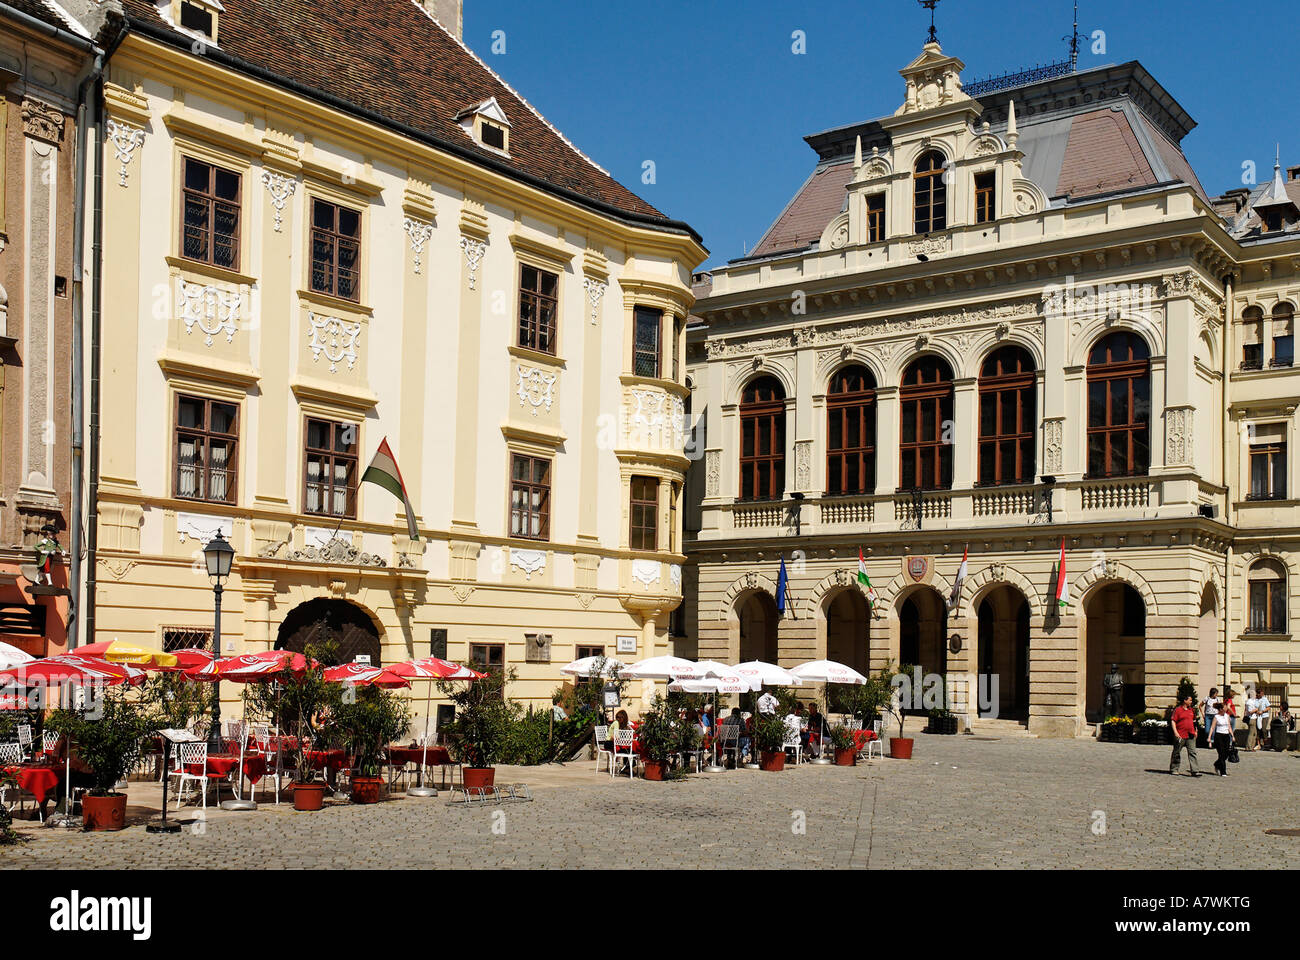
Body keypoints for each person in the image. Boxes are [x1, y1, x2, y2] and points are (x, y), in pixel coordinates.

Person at [1168, 695, 1200, 777]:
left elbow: (1194, 721)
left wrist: (1196, 730)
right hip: (1181, 734)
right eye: (1190, 700)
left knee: (1192, 752)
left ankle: (1195, 770)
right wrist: (1175, 732)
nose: (1191, 702)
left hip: (1191, 734)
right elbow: (1173, 721)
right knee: (1177, 752)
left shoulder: (1191, 710)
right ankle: (1174, 769)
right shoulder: (1178, 710)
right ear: (1185, 701)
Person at [1210, 704, 1234, 776]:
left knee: (1226, 753)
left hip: (1226, 736)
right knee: (1221, 753)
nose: (1226, 709)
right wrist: (1209, 737)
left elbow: (1229, 726)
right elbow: (1212, 727)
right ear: (1220, 709)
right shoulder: (1216, 717)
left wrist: (1232, 735)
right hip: (1218, 736)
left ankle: (1217, 764)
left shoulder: (1227, 716)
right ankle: (1223, 771)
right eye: (1225, 708)